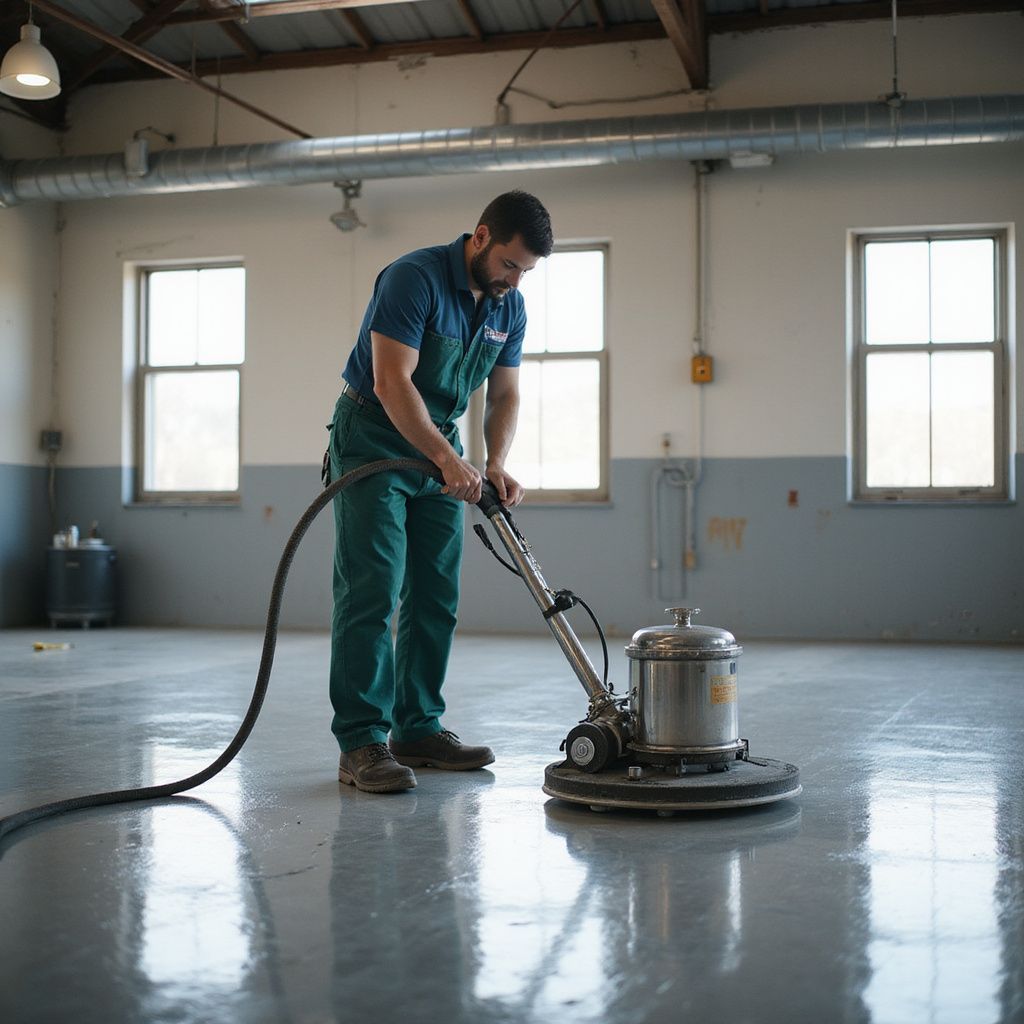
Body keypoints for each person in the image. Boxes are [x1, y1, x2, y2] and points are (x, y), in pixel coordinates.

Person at [326, 190, 554, 794]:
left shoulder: (511, 307)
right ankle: (362, 743)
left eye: (526, 271)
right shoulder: (413, 278)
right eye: (509, 263)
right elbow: (391, 380)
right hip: (374, 439)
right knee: (371, 589)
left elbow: (504, 395)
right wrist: (447, 459)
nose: (513, 279)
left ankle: (418, 729)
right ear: (480, 237)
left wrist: (494, 462)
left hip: (439, 450)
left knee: (435, 593)